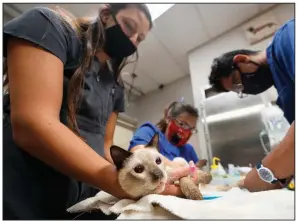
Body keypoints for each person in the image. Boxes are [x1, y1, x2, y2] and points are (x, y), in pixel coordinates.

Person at [3, 4, 194, 219]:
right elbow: (33, 124)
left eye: (139, 39)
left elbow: (105, 146)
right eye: (129, 27)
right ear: (105, 15)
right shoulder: (49, 27)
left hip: (82, 199)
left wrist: (148, 177)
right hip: (24, 190)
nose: (132, 40)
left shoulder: (116, 86)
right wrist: (120, 184)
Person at [208, 18, 294, 192]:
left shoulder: (288, 38)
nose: (245, 89)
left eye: (237, 83)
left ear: (242, 60)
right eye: (238, 90)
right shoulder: (283, 90)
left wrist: (265, 172)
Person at [128, 101, 207, 169]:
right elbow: (139, 154)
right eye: (182, 124)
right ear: (168, 119)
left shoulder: (188, 149)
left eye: (191, 129)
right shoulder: (150, 131)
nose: (186, 132)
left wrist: (196, 167)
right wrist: (182, 169)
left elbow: (196, 172)